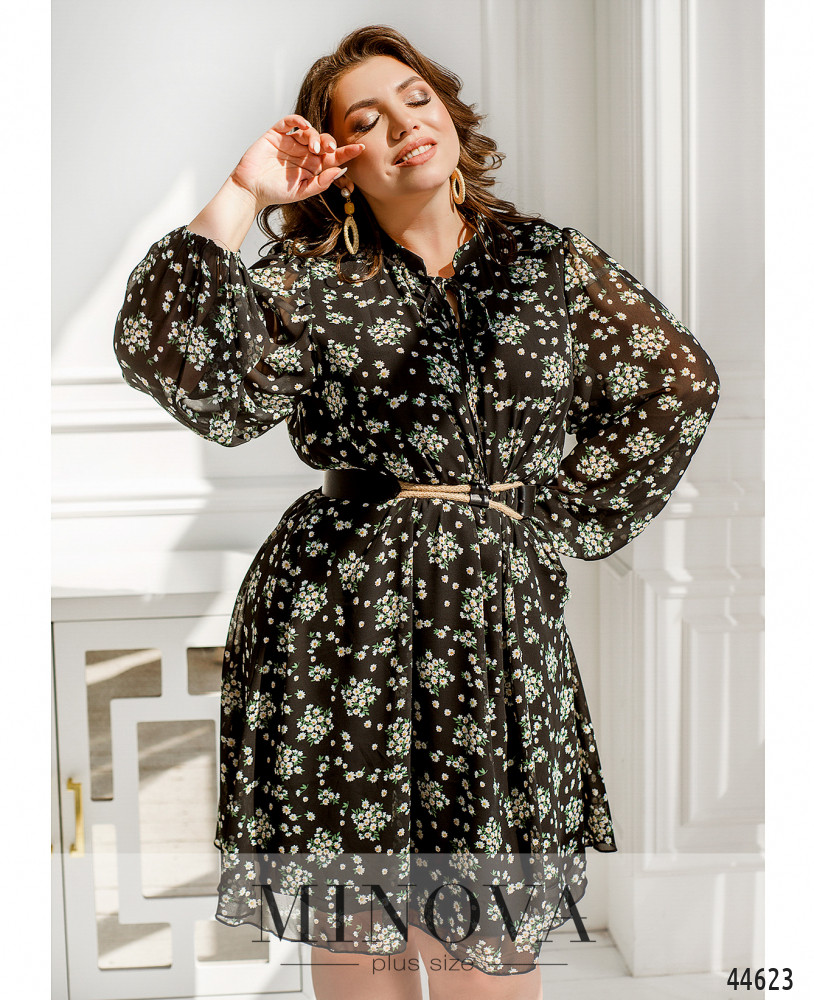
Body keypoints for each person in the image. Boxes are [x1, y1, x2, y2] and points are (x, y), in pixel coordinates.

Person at [113, 24, 720, 1000]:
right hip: (340, 615)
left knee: (487, 935)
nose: (403, 125)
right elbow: (189, 367)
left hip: (494, 619)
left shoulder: (545, 262)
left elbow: (675, 381)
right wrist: (243, 193)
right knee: (360, 931)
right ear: (341, 163)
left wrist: (548, 513)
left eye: (416, 98)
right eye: (366, 119)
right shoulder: (312, 280)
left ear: (449, 114)